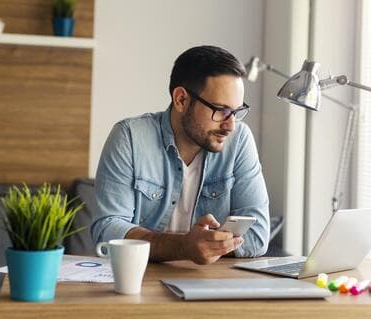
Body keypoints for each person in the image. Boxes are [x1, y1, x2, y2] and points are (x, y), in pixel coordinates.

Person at [91, 45, 269, 265]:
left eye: (236, 111)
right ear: (181, 100)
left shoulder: (239, 140)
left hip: (211, 283)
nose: (231, 125)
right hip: (140, 280)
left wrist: (204, 246)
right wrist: (184, 247)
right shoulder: (129, 137)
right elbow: (107, 229)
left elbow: (258, 235)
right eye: (221, 110)